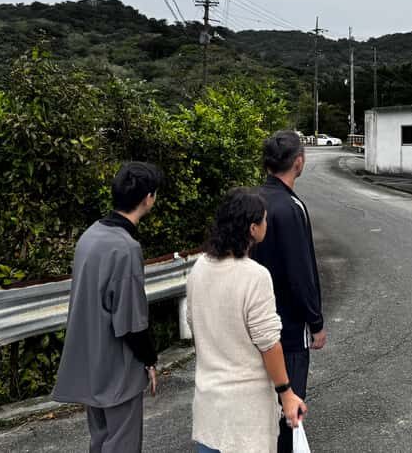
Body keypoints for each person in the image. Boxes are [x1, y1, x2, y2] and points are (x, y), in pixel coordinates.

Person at [187, 188, 307, 453]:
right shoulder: (255, 276)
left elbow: (194, 324)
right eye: (264, 220)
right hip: (245, 411)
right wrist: (286, 392)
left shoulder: (199, 268)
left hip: (209, 404)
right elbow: (269, 344)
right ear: (253, 229)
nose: (267, 224)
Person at [53, 161, 162, 453]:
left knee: (99, 441)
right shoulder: (126, 248)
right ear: (148, 198)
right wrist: (149, 360)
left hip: (91, 361)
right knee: (123, 444)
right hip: (118, 368)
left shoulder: (90, 235)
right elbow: (130, 321)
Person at [252, 130, 325, 453]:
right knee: (289, 407)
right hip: (289, 328)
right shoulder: (292, 207)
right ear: (298, 162)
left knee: (262, 407)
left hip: (254, 324)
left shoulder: (252, 201)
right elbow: (301, 273)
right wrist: (317, 321)